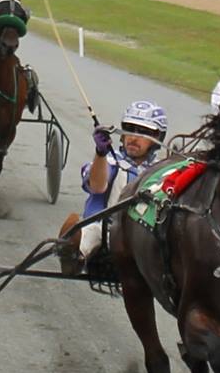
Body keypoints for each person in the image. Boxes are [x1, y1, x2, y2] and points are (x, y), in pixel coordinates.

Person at [58, 101, 168, 274]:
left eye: (144, 132)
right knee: (81, 229)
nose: (133, 136)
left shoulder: (162, 171)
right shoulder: (108, 160)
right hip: (101, 230)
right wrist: (100, 153)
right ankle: (74, 253)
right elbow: (97, 186)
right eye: (129, 128)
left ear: (157, 138)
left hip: (142, 237)